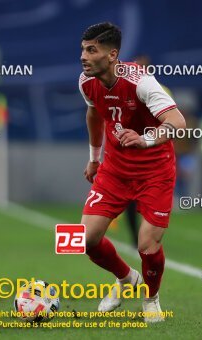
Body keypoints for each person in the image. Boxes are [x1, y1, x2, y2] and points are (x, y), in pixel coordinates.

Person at [78, 22, 186, 322]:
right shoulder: (86, 82)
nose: (84, 57)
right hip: (115, 170)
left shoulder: (142, 83)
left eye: (92, 50)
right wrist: (95, 158)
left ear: (112, 55)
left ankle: (151, 299)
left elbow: (178, 123)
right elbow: (94, 113)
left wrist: (145, 138)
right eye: (83, 50)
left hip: (155, 171)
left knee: (147, 245)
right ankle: (127, 280)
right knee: (85, 239)